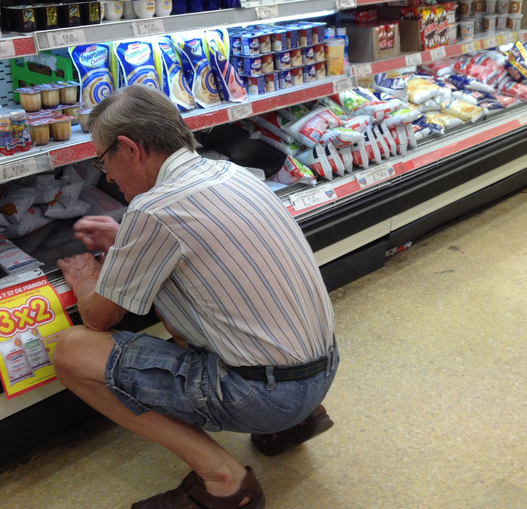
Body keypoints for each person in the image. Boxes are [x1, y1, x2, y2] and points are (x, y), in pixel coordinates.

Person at [53, 84, 338, 509]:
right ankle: (296, 421)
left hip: (266, 394)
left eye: (103, 160)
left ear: (129, 148)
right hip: (323, 370)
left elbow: (98, 318)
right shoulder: (230, 172)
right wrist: (125, 239)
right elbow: (202, 242)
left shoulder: (153, 210)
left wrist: (84, 279)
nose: (107, 176)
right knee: (184, 289)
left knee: (71, 352)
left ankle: (222, 480)